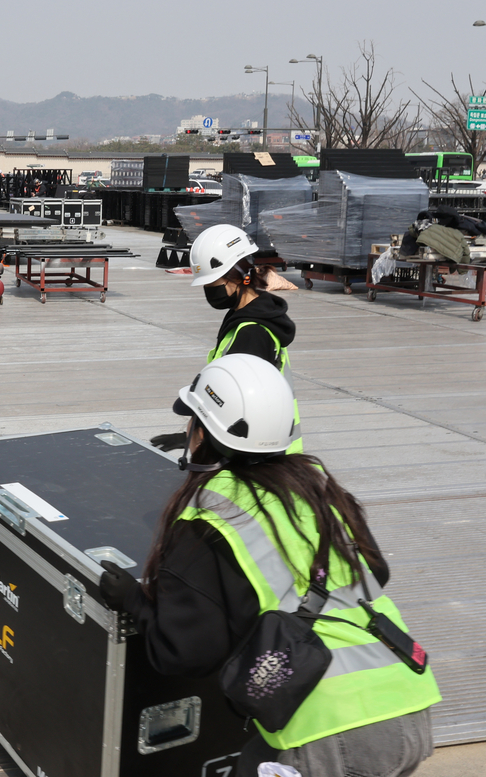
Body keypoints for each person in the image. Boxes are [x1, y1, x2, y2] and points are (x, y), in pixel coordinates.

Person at [100, 354, 439, 777]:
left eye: (192, 421)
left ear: (203, 432)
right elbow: (375, 574)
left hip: (332, 729)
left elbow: (187, 652)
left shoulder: (209, 515)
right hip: (409, 698)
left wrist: (134, 601)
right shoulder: (313, 489)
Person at [153, 224, 303, 455]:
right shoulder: (245, 316)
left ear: (241, 276)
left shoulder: (252, 334)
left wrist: (194, 438)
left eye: (212, 283)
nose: (209, 291)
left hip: (262, 459)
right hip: (263, 451)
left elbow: (240, 408)